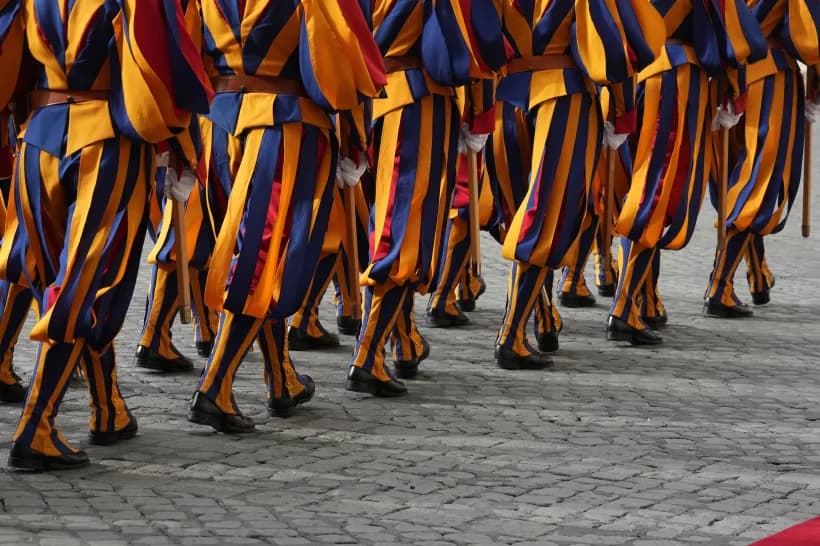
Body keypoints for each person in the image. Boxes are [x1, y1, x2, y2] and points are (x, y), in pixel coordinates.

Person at [0, 0, 213, 471]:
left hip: (38, 138)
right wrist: (181, 147)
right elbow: (156, 70)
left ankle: (107, 407)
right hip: (104, 142)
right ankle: (38, 426)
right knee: (88, 285)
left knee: (65, 279)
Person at [188, 0, 387, 430]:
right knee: (261, 261)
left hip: (219, 126)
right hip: (283, 125)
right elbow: (341, 49)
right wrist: (354, 141)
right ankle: (215, 385)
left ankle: (281, 378)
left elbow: (187, 49)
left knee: (257, 256)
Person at [490, 1, 664, 369]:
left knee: (525, 212)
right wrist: (622, 109)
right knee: (547, 217)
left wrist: (474, 109)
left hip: (504, 98)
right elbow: (611, 40)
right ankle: (512, 334)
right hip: (562, 96)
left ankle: (542, 316)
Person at [346, 0, 507, 395]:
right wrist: (481, 112)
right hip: (421, 101)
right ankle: (368, 355)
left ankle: (404, 340)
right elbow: (477, 34)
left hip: (375, 100)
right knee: (406, 237)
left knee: (387, 226)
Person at [609, 0, 768, 343]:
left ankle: (645, 300)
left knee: (640, 189)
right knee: (657, 193)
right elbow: (731, 26)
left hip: (631, 75)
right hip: (675, 77)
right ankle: (624, 306)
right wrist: (735, 90)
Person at [704, 0, 808, 318]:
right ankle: (720, 285)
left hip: (726, 75)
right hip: (770, 73)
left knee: (741, 179)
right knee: (758, 183)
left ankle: (757, 273)